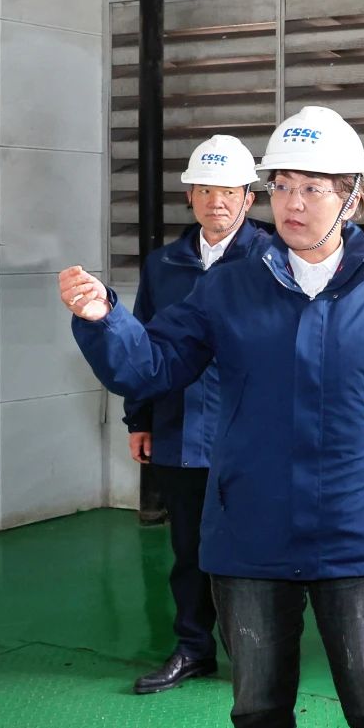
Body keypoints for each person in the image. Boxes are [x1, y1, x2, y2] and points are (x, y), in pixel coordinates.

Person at [60, 105, 364, 728]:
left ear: (352, 195)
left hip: (354, 529)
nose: (292, 203)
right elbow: (152, 366)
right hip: (249, 531)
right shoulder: (227, 290)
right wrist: (104, 319)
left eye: (312, 188)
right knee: (259, 708)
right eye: (282, 186)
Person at [125, 135, 271, 695]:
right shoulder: (164, 265)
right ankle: (193, 648)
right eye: (206, 190)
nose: (217, 202)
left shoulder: (273, 258)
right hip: (180, 430)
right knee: (189, 549)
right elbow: (144, 347)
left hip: (251, 433)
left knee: (253, 546)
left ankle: (258, 653)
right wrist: (139, 419)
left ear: (248, 197)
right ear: (189, 195)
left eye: (229, 191)